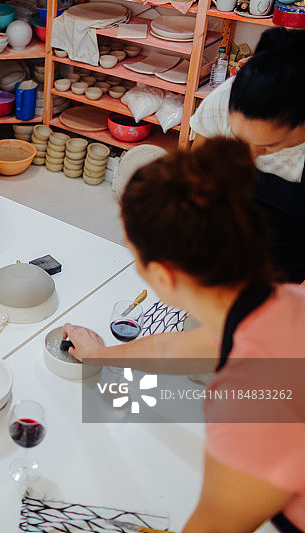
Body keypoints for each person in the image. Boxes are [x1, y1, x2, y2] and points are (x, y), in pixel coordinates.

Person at [64, 138, 305, 532]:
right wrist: (99, 356)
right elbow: (172, 347)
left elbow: (213, 526)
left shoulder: (250, 401)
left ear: (162, 275)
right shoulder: (283, 302)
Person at [190, 27, 305, 282]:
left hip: (289, 272)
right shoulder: (223, 101)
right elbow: (193, 180)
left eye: (267, 146)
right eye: (239, 141)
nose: (250, 156)